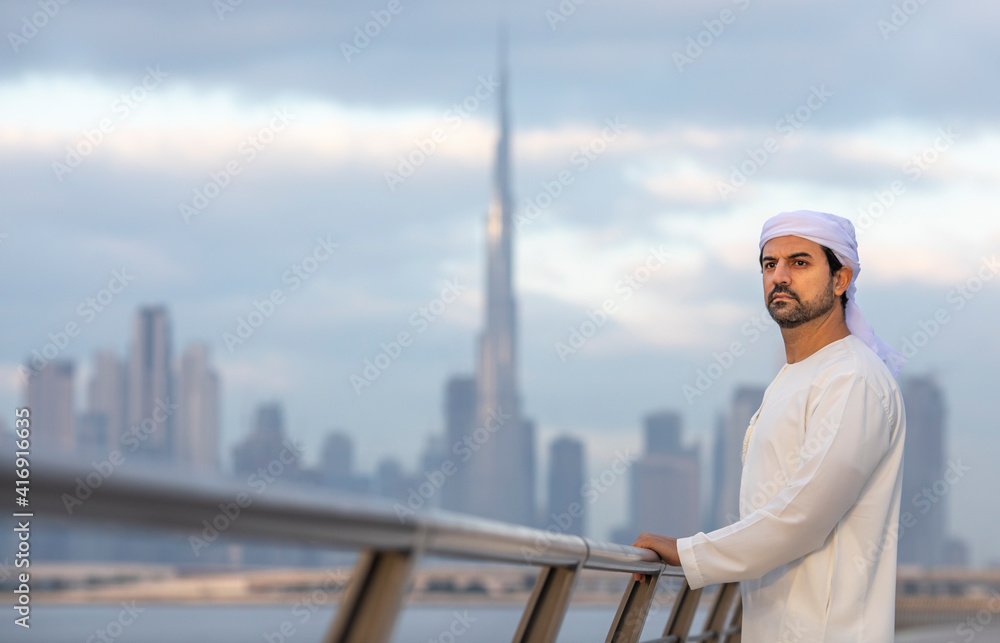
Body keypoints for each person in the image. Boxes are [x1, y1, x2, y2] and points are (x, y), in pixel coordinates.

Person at [632, 210, 907, 642]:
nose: (780, 276)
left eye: (799, 262)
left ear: (840, 279)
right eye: (769, 264)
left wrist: (688, 553)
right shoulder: (795, 378)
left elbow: (804, 516)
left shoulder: (852, 378)